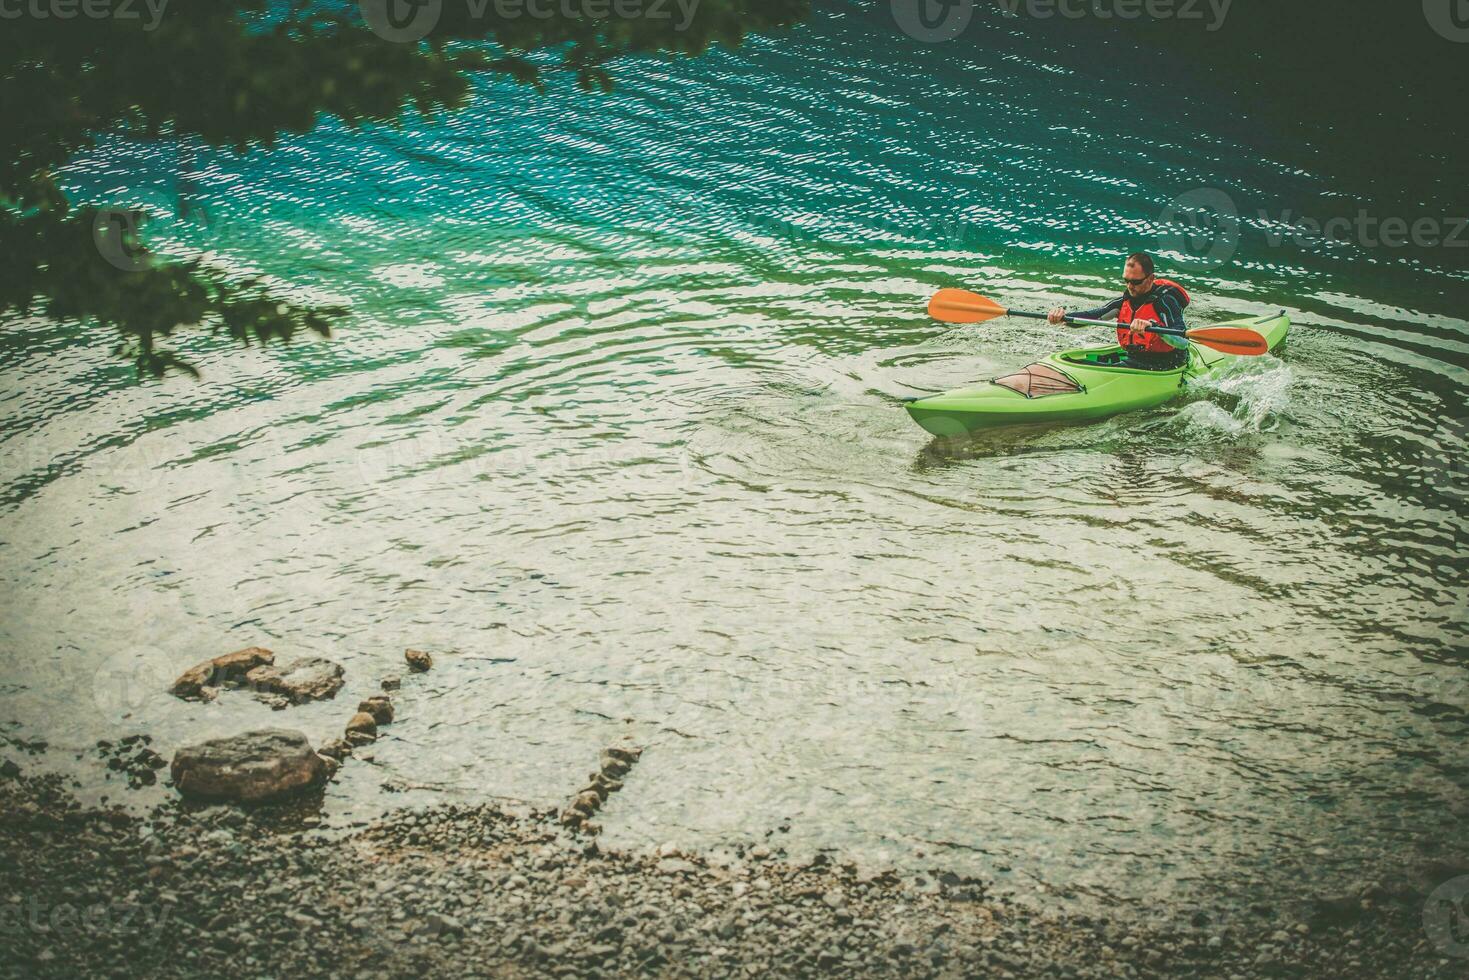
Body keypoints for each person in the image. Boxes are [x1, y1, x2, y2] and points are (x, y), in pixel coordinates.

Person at [1047, 252, 1192, 370]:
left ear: (1150, 279)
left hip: (1166, 363)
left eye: (1135, 282)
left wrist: (1153, 326)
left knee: (1085, 366)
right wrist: (1063, 318)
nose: (1130, 286)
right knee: (1070, 360)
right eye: (1126, 281)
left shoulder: (1165, 302)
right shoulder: (1123, 302)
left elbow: (1182, 342)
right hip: (1135, 358)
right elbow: (1095, 316)